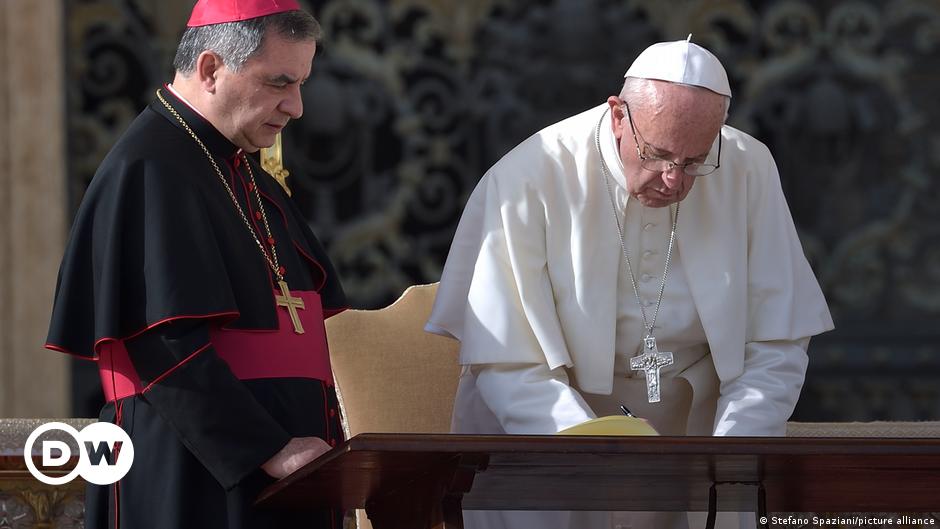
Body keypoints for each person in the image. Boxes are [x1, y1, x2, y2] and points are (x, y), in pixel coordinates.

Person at [426, 38, 834, 529]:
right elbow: (509, 361)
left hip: (696, 438)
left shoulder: (748, 168)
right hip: (549, 434)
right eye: (658, 154)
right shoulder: (530, 175)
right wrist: (590, 448)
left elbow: (776, 340)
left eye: (694, 161)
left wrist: (732, 453)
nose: (673, 180)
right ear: (618, 114)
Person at [45, 1, 347, 527]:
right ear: (211, 69)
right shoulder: (148, 167)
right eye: (279, 83)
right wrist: (265, 446)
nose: (296, 107)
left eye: (301, 84)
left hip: (281, 476)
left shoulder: (246, 173)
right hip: (188, 476)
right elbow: (160, 346)